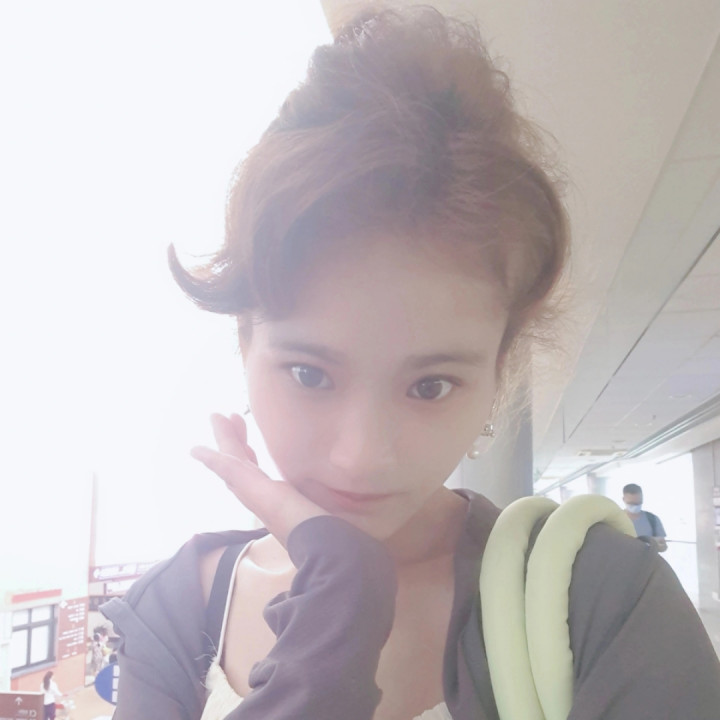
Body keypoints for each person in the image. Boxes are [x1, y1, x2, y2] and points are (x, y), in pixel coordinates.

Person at [101, 7, 720, 719]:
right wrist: (337, 601)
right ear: (245, 346)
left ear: (496, 376)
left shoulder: (604, 601)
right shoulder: (175, 611)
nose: (362, 458)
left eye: (430, 385)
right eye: (309, 374)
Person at [623, 482, 668, 552]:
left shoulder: (652, 519)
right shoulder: (614, 520)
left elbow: (663, 547)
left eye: (638, 503)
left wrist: (659, 546)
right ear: (623, 499)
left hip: (647, 558)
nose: (635, 506)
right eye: (631, 503)